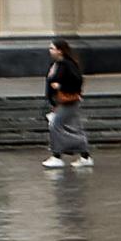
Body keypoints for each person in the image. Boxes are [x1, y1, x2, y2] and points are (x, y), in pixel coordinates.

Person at [42, 39, 91, 168]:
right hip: (60, 101)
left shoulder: (66, 64)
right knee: (71, 126)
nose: (50, 50)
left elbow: (77, 80)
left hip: (68, 101)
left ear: (60, 50)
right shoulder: (57, 64)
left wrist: (61, 86)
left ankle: (57, 156)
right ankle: (85, 156)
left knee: (55, 125)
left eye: (52, 48)